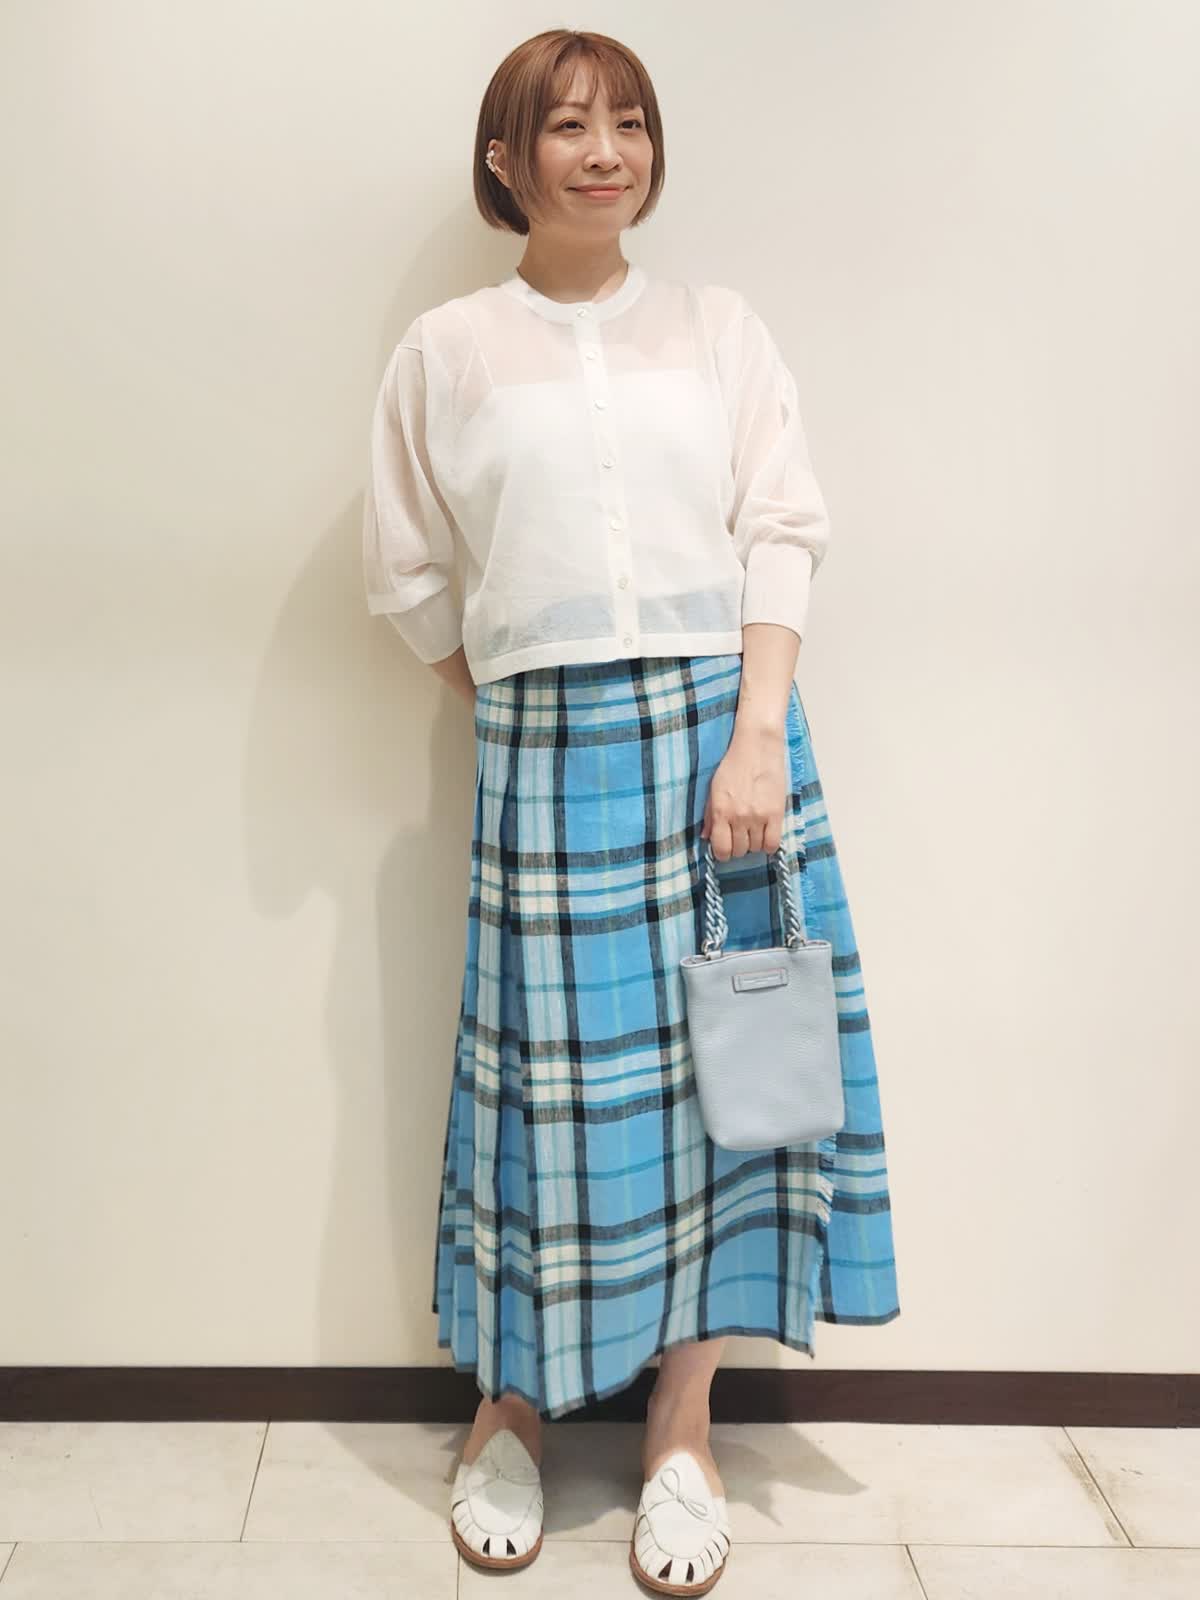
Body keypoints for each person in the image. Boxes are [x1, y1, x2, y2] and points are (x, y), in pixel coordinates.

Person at [361, 26, 900, 1595]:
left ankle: (682, 1419)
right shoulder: (449, 350)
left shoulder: (718, 330)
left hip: (726, 740)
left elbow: (781, 529)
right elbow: (405, 573)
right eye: (568, 126)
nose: (606, 152)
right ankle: (510, 1405)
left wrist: (754, 735)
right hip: (543, 746)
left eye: (630, 124)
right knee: (545, 1086)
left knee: (730, 1073)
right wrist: (521, 693)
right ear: (505, 159)